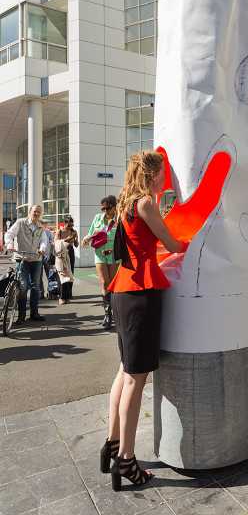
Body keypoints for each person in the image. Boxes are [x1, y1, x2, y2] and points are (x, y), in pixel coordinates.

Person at [100, 151, 187, 490]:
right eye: (163, 173)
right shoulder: (145, 204)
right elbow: (170, 243)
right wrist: (191, 243)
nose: (166, 178)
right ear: (152, 175)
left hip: (124, 289)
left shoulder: (126, 204)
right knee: (137, 378)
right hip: (141, 292)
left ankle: (112, 443)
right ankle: (126, 459)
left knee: (125, 370)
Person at [4, 204, 48, 324]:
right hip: (21, 258)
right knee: (22, 287)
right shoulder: (21, 222)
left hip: (36, 259)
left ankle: (34, 313)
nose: (37, 214)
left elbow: (44, 240)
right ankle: (21, 315)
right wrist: (10, 244)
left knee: (36, 287)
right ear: (30, 212)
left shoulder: (40, 226)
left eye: (39, 212)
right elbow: (9, 234)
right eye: (35, 211)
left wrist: (42, 248)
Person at [82, 196, 118, 329]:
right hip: (100, 254)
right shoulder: (98, 218)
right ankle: (107, 315)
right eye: (102, 208)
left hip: (114, 255)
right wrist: (86, 239)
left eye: (107, 208)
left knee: (113, 284)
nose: (104, 211)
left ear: (114, 207)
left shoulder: (119, 219)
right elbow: (90, 233)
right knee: (104, 282)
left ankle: (116, 313)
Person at [55, 216, 78, 304]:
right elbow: (56, 243)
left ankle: (68, 295)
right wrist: (68, 238)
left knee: (70, 273)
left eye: (72, 225)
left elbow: (76, 245)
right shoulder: (59, 231)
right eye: (69, 226)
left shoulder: (73, 231)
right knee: (62, 274)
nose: (70, 227)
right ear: (64, 224)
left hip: (70, 252)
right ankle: (61, 297)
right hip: (61, 253)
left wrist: (75, 239)